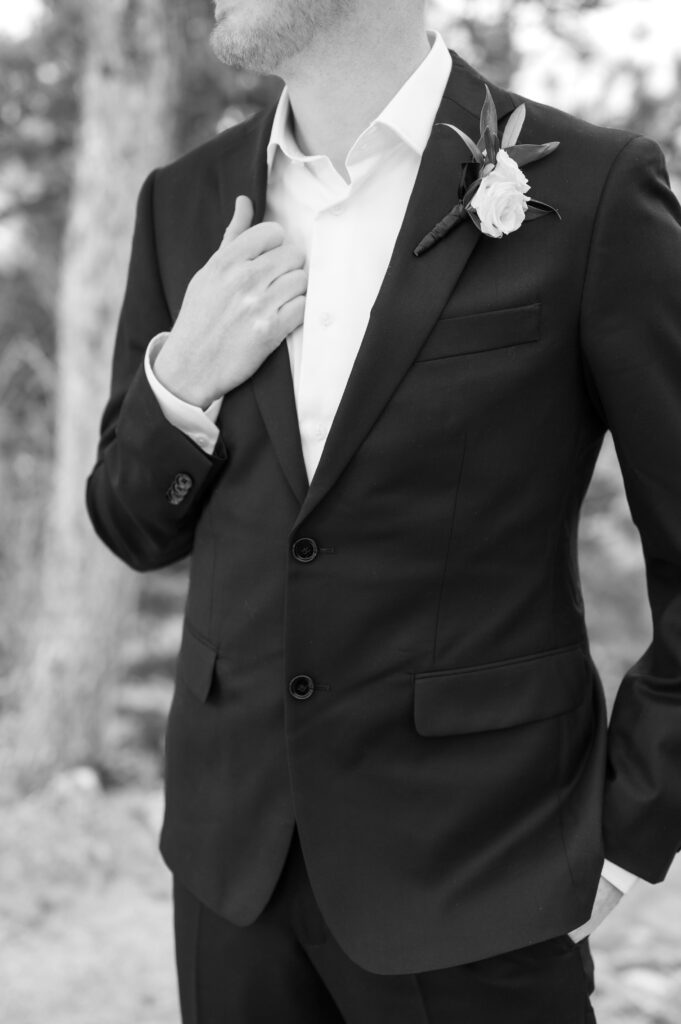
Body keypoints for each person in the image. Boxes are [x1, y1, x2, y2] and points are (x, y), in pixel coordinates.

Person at [85, 1, 681, 1021]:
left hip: (484, 875)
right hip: (233, 875)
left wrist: (634, 826)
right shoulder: (181, 201)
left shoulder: (590, 188)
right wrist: (179, 383)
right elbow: (135, 525)